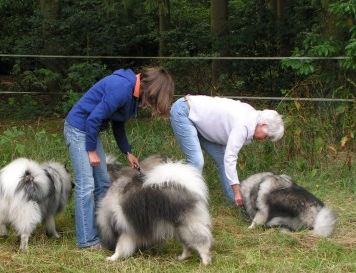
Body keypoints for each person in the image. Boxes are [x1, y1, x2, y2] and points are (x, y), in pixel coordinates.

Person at [64, 67, 174, 249]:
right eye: (152, 101)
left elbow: (118, 124)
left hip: (90, 130)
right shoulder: (121, 88)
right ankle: (87, 241)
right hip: (78, 129)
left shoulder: (132, 95)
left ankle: (102, 232)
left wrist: (127, 152)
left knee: (103, 183)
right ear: (151, 90)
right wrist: (90, 150)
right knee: (87, 185)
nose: (147, 105)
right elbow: (93, 118)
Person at [170, 95, 284, 207]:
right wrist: (238, 192)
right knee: (197, 161)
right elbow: (230, 157)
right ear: (263, 125)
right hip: (184, 111)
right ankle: (188, 204)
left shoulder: (253, 118)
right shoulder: (244, 124)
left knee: (222, 160)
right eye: (267, 136)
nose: (264, 139)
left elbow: (226, 151)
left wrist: (236, 193)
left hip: (198, 122)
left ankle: (233, 201)